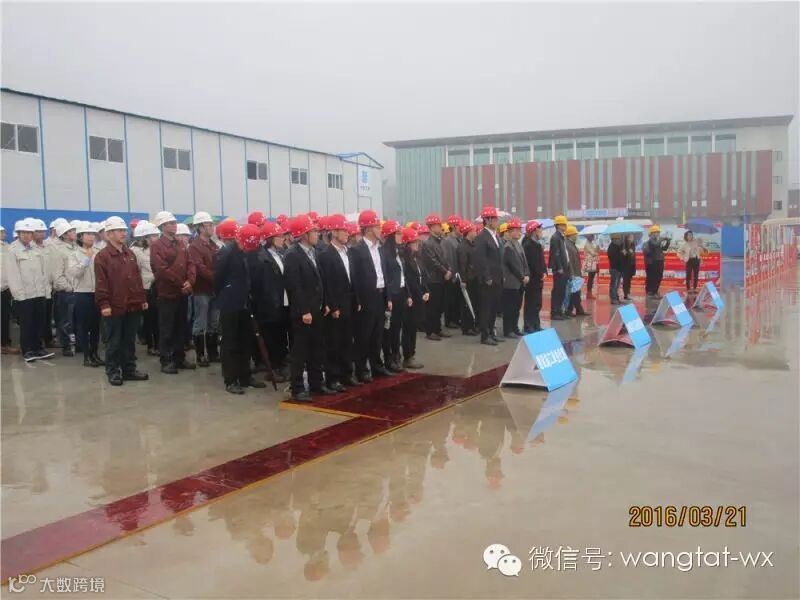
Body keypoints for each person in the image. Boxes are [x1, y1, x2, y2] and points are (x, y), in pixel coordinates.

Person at [93, 216, 149, 386]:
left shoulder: (129, 254)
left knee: (129, 340)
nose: (123, 233)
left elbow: (136, 278)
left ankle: (129, 370)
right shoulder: (103, 257)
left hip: (132, 304)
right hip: (114, 306)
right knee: (114, 341)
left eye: (124, 230)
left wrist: (142, 298)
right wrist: (104, 304)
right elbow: (101, 283)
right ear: (109, 234)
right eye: (119, 230)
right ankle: (113, 371)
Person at [283, 214, 333, 401]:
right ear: (304, 234)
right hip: (303, 312)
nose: (317, 234)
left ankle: (316, 383)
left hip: (317, 309)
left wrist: (325, 302)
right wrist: (304, 310)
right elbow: (294, 286)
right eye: (313, 231)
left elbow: (321, 280)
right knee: (300, 351)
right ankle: (297, 388)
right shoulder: (293, 255)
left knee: (317, 348)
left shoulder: (314, 252)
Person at [214, 222, 264, 395]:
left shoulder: (249, 252)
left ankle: (245, 376)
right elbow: (218, 279)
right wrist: (226, 294)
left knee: (245, 340)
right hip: (230, 303)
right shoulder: (226, 253)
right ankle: (231, 379)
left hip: (245, 302)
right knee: (229, 342)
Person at [150, 211, 196, 374]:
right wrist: (181, 283)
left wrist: (190, 280)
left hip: (182, 292)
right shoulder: (157, 245)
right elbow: (161, 270)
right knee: (167, 328)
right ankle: (166, 360)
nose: (173, 225)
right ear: (162, 226)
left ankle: (179, 357)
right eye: (169, 223)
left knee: (180, 327)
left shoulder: (181, 243)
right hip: (167, 293)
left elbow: (190, 263)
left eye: (174, 222)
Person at [349, 209, 392, 382]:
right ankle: (361, 369)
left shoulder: (380, 249)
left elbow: (384, 274)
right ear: (368, 229)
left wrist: (388, 297)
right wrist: (358, 300)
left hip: (380, 296)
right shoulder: (356, 250)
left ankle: (377, 366)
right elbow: (355, 278)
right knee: (363, 336)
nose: (380, 230)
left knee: (377, 335)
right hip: (366, 298)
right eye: (377, 226)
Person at [3, 219, 54, 361]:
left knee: (39, 322)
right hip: (24, 295)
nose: (27, 235)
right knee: (27, 324)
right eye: (23, 233)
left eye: (29, 233)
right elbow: (12, 275)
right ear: (18, 233)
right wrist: (19, 295)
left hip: (40, 293)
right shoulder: (12, 250)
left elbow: (44, 272)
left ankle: (39, 348)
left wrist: (46, 291)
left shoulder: (36, 249)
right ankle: (28, 350)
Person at [318, 214, 359, 390]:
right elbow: (326, 283)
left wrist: (357, 299)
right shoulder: (325, 255)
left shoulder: (347, 252)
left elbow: (352, 278)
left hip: (349, 301)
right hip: (336, 304)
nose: (347, 233)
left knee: (347, 341)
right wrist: (332, 306)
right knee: (334, 342)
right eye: (343, 230)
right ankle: (333, 378)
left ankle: (347, 374)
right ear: (334, 232)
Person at [249, 221, 290, 383]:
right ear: (270, 239)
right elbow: (264, 286)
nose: (282, 239)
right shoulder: (261, 258)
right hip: (269, 306)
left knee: (280, 337)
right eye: (279, 236)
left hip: (281, 302)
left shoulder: (280, 254)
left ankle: (279, 364)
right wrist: (272, 304)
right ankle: (272, 368)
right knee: (271, 338)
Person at [67, 222, 104, 367]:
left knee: (96, 326)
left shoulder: (99, 252)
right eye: (87, 234)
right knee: (83, 326)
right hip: (82, 294)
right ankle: (86, 356)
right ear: (80, 237)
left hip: (97, 292)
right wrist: (86, 259)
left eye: (93, 234)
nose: (91, 237)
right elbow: (75, 273)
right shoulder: (74, 254)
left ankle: (95, 354)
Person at [188, 211, 219, 367]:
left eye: (212, 224)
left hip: (214, 289)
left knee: (214, 321)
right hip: (202, 289)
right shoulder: (195, 246)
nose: (212, 227)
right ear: (200, 227)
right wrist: (217, 277)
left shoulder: (213, 245)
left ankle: (213, 353)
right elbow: (199, 268)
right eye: (208, 225)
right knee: (200, 322)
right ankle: (200, 355)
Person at [380, 219, 410, 372]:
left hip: (401, 293)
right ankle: (390, 358)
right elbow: (385, 276)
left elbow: (403, 275)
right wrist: (389, 297)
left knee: (397, 327)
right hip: (391, 295)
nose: (401, 236)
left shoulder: (398, 251)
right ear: (391, 235)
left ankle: (397, 356)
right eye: (397, 233)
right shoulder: (384, 252)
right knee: (389, 329)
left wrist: (407, 294)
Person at [472, 205, 504, 345]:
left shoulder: (495, 236)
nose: (497, 222)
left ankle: (491, 332)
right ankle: (485, 335)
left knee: (494, 308)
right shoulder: (482, 237)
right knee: (486, 308)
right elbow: (480, 260)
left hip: (497, 278)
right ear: (487, 220)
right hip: (488, 280)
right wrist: (487, 277)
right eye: (495, 219)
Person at [420, 213, 452, 341]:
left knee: (439, 306)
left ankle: (437, 329)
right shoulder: (428, 244)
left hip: (441, 278)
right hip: (432, 279)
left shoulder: (440, 241)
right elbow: (432, 262)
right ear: (432, 227)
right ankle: (430, 331)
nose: (440, 227)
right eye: (438, 225)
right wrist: (445, 271)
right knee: (432, 307)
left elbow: (444, 258)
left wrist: (448, 269)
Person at [48, 220, 78, 356]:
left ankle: (78, 344)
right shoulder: (59, 251)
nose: (74, 233)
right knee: (65, 320)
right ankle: (66, 346)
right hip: (66, 292)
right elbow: (57, 275)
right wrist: (68, 287)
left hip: (78, 289)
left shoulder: (77, 248)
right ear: (64, 235)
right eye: (70, 231)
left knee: (76, 319)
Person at [400, 227, 429, 369]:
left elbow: (422, 276)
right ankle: (407, 356)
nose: (417, 244)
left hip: (420, 297)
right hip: (411, 298)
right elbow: (409, 281)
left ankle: (412, 353)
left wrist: (426, 290)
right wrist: (418, 294)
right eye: (414, 242)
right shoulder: (405, 261)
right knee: (408, 328)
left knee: (413, 327)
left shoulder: (417, 258)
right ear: (407, 244)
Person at [131, 221, 160, 355]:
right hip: (146, 288)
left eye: (156, 235)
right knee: (149, 318)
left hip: (158, 286)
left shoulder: (156, 249)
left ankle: (159, 344)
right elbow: (134, 272)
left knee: (158, 318)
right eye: (153, 236)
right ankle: (150, 345)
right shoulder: (135, 251)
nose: (156, 238)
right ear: (145, 237)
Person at [501, 218, 528, 338]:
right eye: (516, 230)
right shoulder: (508, 246)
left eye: (519, 230)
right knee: (509, 308)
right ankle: (508, 330)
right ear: (510, 232)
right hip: (511, 283)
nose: (519, 232)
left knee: (516, 307)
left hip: (519, 282)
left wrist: (527, 274)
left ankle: (515, 328)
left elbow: (524, 262)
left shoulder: (518, 244)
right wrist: (522, 277)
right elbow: (513, 266)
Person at [522, 220, 546, 333]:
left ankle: (536, 324)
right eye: (539, 229)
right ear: (534, 231)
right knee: (530, 303)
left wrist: (544, 272)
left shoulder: (538, 244)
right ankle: (528, 325)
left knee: (537, 303)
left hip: (538, 279)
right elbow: (530, 264)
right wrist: (539, 273)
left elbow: (541, 261)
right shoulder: (528, 245)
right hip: (532, 280)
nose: (541, 231)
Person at [456, 221, 479, 336]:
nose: (475, 233)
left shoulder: (472, 244)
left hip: (474, 278)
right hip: (468, 279)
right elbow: (462, 265)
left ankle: (472, 325)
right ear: (469, 232)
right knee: (466, 304)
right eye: (474, 230)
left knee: (473, 302)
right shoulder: (462, 247)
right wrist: (463, 280)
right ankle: (467, 327)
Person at [0, 225, 19, 354]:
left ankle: (4, 343)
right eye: (1, 232)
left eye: (3, 232)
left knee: (5, 318)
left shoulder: (7, 247)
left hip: (6, 288)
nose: (4, 234)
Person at [442, 214, 463, 330]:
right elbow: (448, 259)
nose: (461, 228)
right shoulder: (447, 241)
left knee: (456, 299)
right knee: (450, 299)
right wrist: (451, 273)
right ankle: (449, 320)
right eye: (459, 226)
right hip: (451, 276)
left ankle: (455, 319)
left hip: (458, 275)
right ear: (454, 226)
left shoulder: (458, 239)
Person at [548, 215, 570, 320]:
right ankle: (555, 312)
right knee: (557, 291)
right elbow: (555, 254)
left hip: (565, 268)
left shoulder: (562, 236)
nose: (565, 226)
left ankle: (559, 311)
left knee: (562, 291)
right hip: (559, 269)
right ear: (558, 225)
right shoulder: (555, 237)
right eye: (563, 224)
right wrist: (559, 267)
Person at [564, 226, 590, 317]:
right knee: (572, 292)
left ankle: (579, 309)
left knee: (576, 292)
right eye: (575, 234)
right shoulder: (567, 245)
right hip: (573, 273)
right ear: (571, 235)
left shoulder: (571, 244)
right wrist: (572, 274)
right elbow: (569, 261)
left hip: (576, 272)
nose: (577, 236)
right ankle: (569, 310)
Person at [642, 225, 670, 298]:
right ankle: (650, 292)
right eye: (655, 232)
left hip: (659, 261)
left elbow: (664, 248)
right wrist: (661, 239)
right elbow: (654, 245)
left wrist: (668, 241)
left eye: (658, 232)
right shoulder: (648, 242)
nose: (657, 234)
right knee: (651, 277)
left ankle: (655, 291)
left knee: (659, 277)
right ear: (651, 234)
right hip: (651, 263)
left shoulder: (658, 242)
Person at [607, 234, 625, 305]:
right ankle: (613, 298)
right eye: (617, 239)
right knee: (614, 284)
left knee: (617, 285)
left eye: (619, 239)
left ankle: (616, 297)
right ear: (613, 239)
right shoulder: (611, 248)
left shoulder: (618, 246)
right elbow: (614, 258)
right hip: (614, 268)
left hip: (619, 268)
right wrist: (621, 254)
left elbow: (622, 256)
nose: (619, 240)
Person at [582, 234, 599, 300]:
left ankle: (589, 293)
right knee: (590, 278)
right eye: (592, 236)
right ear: (588, 237)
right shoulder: (587, 244)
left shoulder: (591, 243)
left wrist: (597, 249)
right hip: (590, 263)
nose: (593, 237)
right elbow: (593, 253)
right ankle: (589, 294)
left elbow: (595, 252)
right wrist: (596, 250)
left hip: (593, 262)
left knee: (591, 278)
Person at [621, 233, 637, 301]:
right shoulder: (623, 245)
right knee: (626, 280)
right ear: (627, 238)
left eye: (632, 237)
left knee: (629, 280)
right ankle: (626, 294)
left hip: (631, 265)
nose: (632, 238)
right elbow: (624, 255)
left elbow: (633, 254)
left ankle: (628, 292)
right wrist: (627, 251)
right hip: (625, 266)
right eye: (631, 237)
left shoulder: (633, 245)